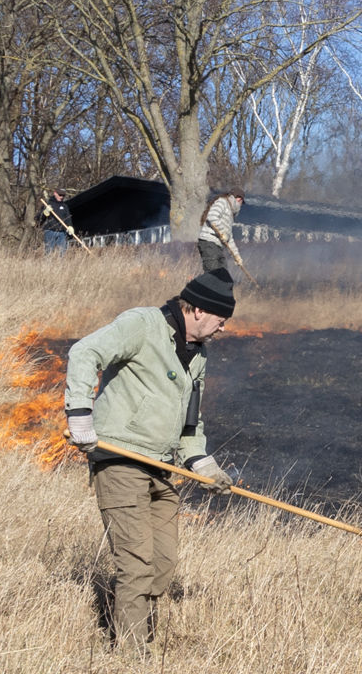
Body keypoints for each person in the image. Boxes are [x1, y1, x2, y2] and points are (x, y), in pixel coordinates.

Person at [63, 262, 237, 649]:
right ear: (197, 309)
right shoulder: (142, 325)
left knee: (162, 564)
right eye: (221, 319)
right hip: (119, 458)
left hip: (161, 466)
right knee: (137, 564)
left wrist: (204, 464)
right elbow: (84, 352)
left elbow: (190, 422)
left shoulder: (198, 354)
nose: (223, 327)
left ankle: (122, 615)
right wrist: (80, 415)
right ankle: (130, 653)